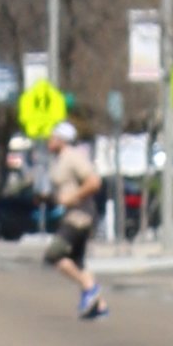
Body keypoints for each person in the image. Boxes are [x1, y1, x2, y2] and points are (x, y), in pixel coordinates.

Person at [47, 126, 106, 319]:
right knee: (77, 261)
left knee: (54, 255)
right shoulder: (60, 159)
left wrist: (74, 196)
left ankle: (90, 288)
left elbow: (94, 182)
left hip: (80, 215)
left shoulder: (73, 157)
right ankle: (100, 306)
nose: (49, 139)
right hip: (70, 215)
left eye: (53, 136)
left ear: (62, 139)